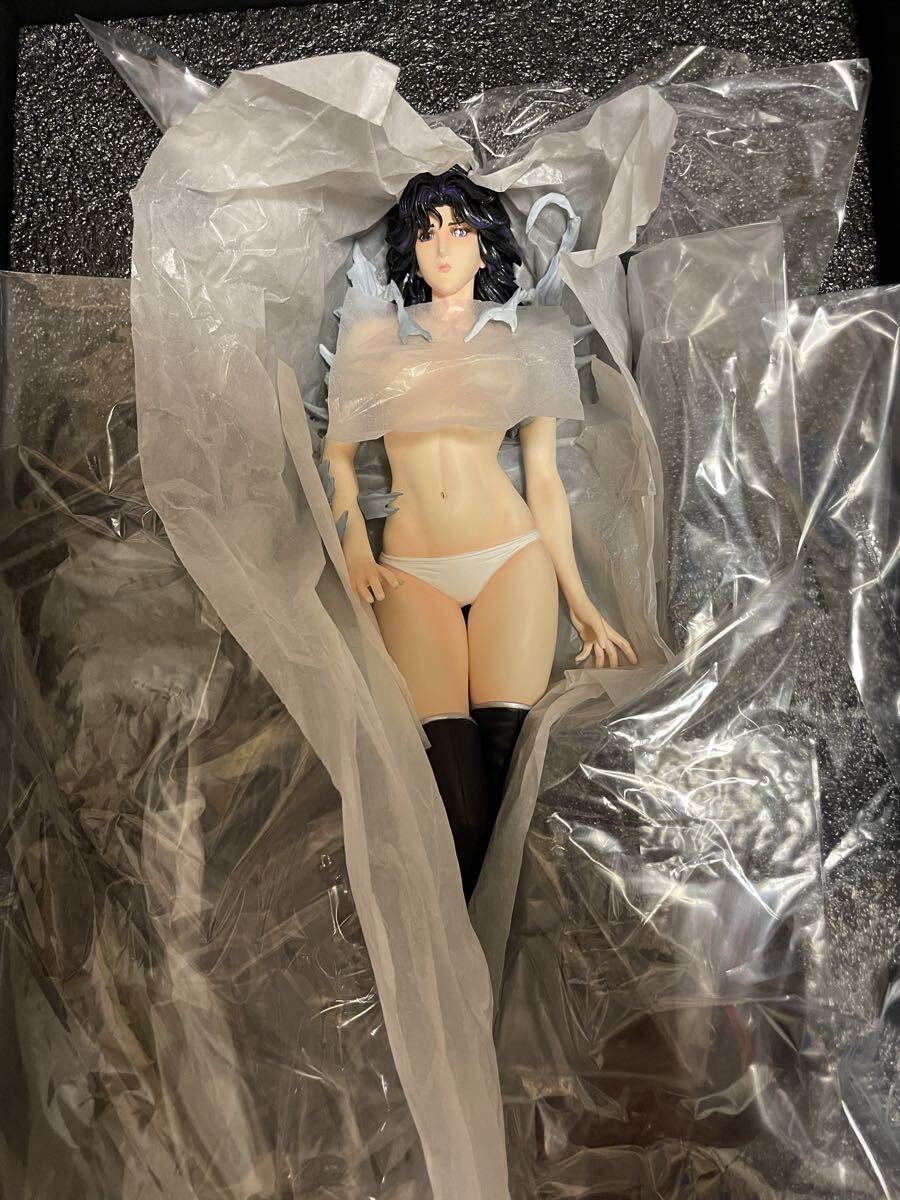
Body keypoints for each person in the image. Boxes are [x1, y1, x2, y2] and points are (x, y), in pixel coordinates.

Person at [323, 167, 636, 898]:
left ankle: (508, 944)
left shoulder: (528, 337)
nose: (441, 246)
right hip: (409, 571)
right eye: (426, 230)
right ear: (409, 245)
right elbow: (336, 457)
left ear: (484, 243)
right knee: (457, 801)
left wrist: (581, 601)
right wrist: (356, 549)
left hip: (510, 560)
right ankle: (467, 948)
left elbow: (544, 480)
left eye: (458, 229)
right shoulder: (373, 336)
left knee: (508, 785)